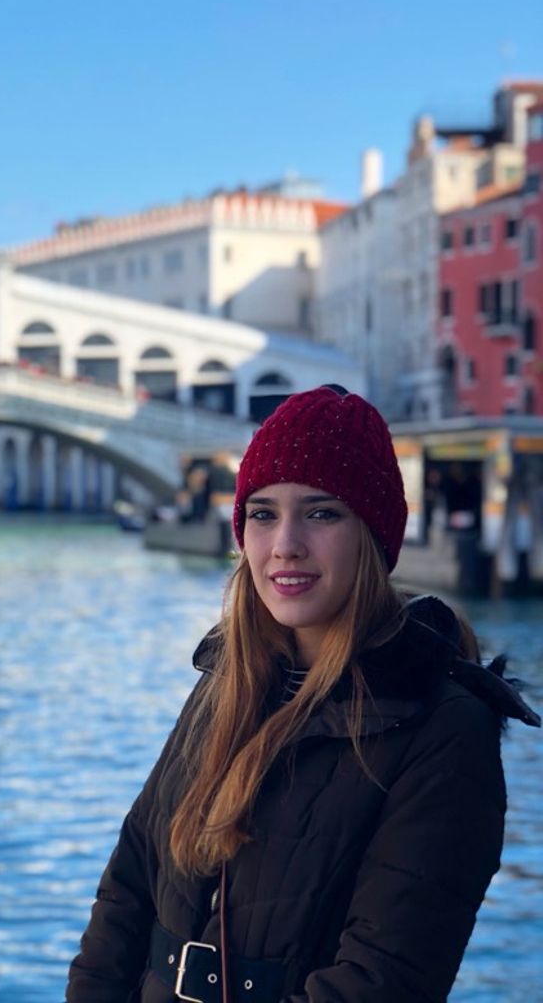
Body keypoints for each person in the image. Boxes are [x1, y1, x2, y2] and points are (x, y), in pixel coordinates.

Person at [67, 385, 539, 1003]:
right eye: (262, 513)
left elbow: (381, 981)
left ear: (372, 534)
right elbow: (130, 881)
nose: (285, 543)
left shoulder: (446, 728)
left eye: (321, 513)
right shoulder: (224, 682)